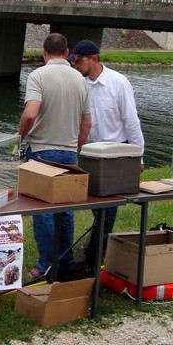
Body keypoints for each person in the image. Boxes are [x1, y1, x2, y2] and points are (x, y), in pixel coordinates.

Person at [19, 33, 91, 280]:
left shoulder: (38, 76)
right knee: (66, 211)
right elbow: (87, 122)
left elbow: (30, 114)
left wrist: (20, 134)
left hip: (41, 151)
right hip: (69, 153)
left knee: (43, 212)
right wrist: (77, 146)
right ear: (67, 51)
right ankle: (66, 261)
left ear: (43, 52)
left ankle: (47, 264)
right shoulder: (80, 79)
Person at [68, 40, 145, 268]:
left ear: (94, 58)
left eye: (79, 61)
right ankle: (95, 249)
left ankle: (93, 256)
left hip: (116, 153)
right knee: (93, 201)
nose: (75, 65)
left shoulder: (118, 82)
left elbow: (131, 121)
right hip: (90, 151)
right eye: (73, 62)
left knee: (107, 209)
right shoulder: (79, 84)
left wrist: (138, 156)